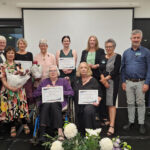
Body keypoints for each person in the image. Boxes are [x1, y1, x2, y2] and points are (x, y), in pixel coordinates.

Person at [33, 65, 74, 142]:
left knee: (54, 104)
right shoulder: (44, 81)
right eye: (50, 71)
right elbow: (35, 93)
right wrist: (44, 90)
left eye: (54, 70)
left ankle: (59, 131)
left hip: (60, 103)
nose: (52, 72)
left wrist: (59, 90)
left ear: (58, 72)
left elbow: (71, 92)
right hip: (46, 103)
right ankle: (42, 134)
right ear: (48, 73)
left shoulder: (63, 81)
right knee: (47, 104)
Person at [121, 29, 150, 134]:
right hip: (128, 82)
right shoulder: (126, 52)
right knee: (130, 103)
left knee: (141, 103)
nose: (136, 39)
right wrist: (123, 81)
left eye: (138, 37)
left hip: (141, 82)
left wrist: (147, 82)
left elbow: (149, 68)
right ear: (131, 39)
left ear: (141, 38)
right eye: (134, 38)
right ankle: (131, 121)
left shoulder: (146, 52)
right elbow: (123, 68)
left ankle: (141, 123)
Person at [0, 47, 30, 137]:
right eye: (9, 53)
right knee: (10, 109)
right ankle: (12, 127)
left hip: (19, 90)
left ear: (14, 54)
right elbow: (3, 79)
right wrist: (10, 88)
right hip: (8, 90)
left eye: (12, 53)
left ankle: (25, 124)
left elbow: (23, 76)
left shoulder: (18, 64)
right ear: (6, 54)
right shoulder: (2, 66)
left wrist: (19, 85)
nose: (10, 55)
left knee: (21, 108)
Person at [80, 35, 107, 125]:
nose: (92, 42)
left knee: (99, 96)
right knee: (89, 95)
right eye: (90, 40)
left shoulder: (101, 51)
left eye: (94, 40)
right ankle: (92, 114)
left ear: (96, 42)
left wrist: (96, 65)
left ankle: (102, 116)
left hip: (98, 75)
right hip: (87, 76)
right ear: (88, 42)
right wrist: (86, 66)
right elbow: (81, 63)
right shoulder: (84, 52)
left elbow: (104, 63)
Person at [72, 62, 102, 135]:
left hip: (90, 104)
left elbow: (100, 94)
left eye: (85, 67)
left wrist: (98, 100)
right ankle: (81, 134)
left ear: (88, 69)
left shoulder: (93, 81)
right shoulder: (75, 80)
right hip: (78, 105)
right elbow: (71, 91)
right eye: (81, 68)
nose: (83, 69)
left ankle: (89, 133)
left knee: (88, 110)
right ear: (79, 69)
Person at [99, 39, 121, 136]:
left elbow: (116, 70)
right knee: (104, 102)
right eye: (107, 47)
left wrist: (106, 79)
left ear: (114, 47)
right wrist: (103, 80)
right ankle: (106, 120)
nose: (108, 48)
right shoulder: (102, 57)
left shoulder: (118, 56)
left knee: (111, 103)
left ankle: (112, 125)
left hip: (112, 82)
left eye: (110, 47)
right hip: (103, 82)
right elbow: (100, 70)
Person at [15, 38, 33, 104]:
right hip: (18, 78)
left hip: (27, 78)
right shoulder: (15, 54)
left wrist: (29, 71)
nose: (22, 45)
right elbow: (15, 66)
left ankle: (27, 111)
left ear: (26, 45)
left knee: (28, 95)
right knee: (19, 95)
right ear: (18, 45)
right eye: (20, 43)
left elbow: (31, 65)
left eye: (23, 44)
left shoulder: (30, 54)